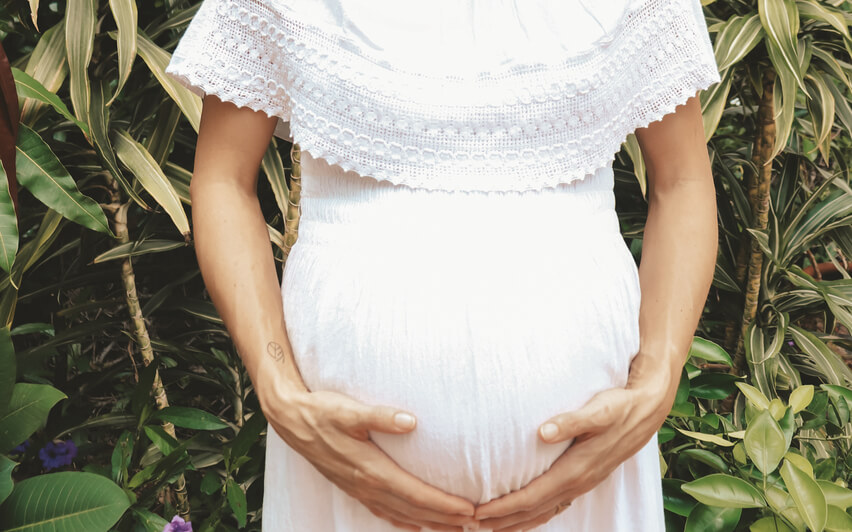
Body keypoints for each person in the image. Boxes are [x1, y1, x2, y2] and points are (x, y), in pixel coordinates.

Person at [165, 0, 721, 529]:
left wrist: (659, 377)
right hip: (340, 473)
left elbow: (682, 182)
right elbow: (223, 179)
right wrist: (277, 387)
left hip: (591, 478)